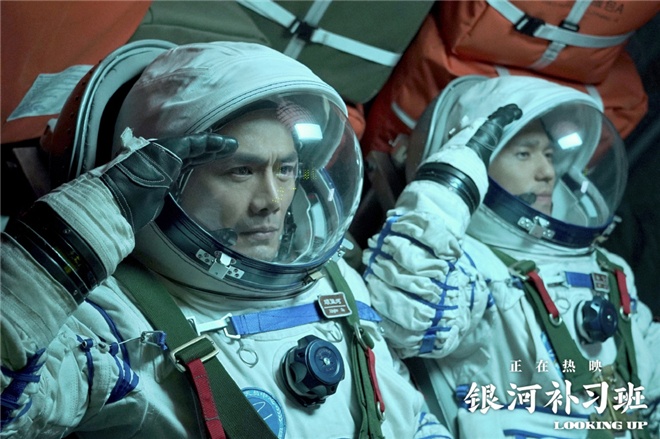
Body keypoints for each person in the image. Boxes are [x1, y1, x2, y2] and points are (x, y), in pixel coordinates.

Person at [0, 41, 449, 439]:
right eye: (241, 171)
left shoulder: (338, 281)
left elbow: (411, 417)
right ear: (164, 182)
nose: (272, 201)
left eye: (286, 170)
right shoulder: (114, 330)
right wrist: (97, 212)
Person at [362, 75, 660, 438]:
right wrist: (454, 176)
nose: (547, 172)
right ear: (479, 166)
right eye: (524, 154)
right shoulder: (473, 270)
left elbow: (650, 363)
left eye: (549, 156)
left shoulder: (609, 270)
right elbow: (401, 320)